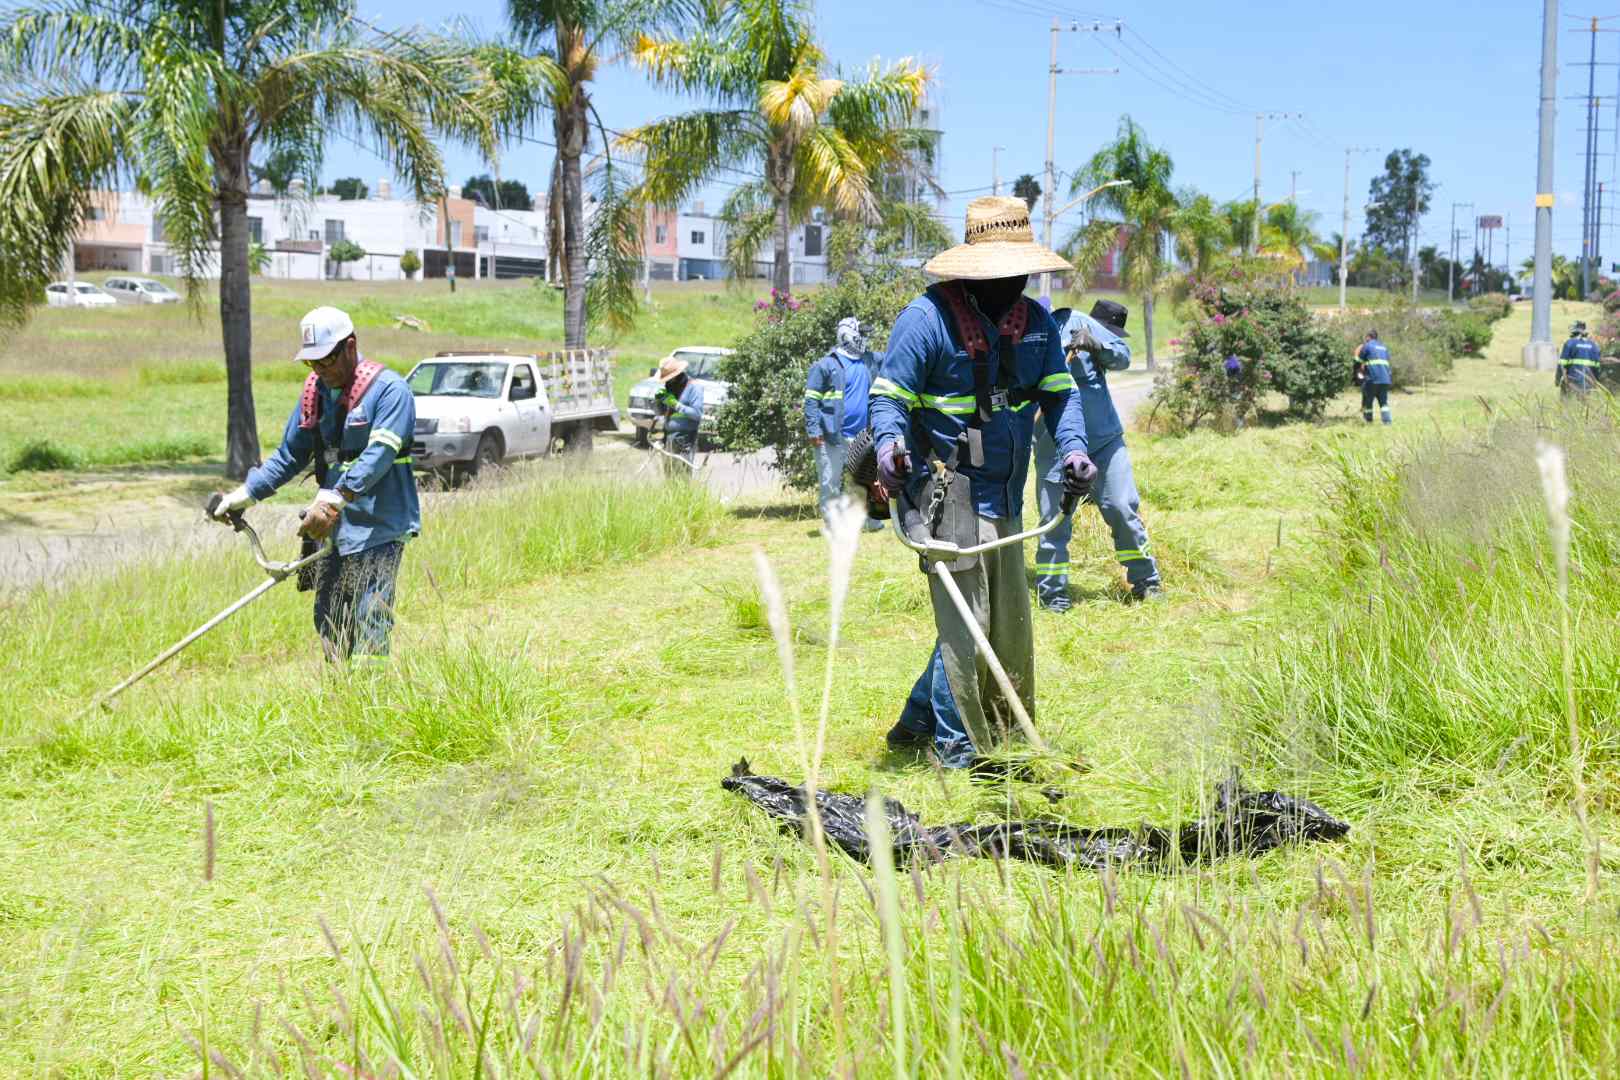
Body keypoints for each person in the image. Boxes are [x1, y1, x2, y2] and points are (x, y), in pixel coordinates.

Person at [870, 195, 1095, 768]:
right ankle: (957, 752)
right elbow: (888, 400)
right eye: (1000, 271)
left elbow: (1061, 396)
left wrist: (1074, 450)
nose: (1013, 282)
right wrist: (890, 448)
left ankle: (915, 724)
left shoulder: (1036, 325)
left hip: (1006, 492)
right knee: (967, 625)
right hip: (946, 493)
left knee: (992, 623)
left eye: (1020, 270)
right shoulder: (926, 320)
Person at [210, 306, 419, 663]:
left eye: (326, 360)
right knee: (329, 617)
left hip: (380, 527)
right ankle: (341, 691)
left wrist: (334, 500)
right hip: (334, 529)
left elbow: (379, 455)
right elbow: (290, 455)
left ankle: (373, 692)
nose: (320, 370)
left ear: (350, 346)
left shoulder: (390, 391)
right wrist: (243, 496)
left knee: (371, 616)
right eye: (312, 362)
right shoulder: (316, 393)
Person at [1032, 300, 1162, 610]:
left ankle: (1146, 581)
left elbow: (1123, 356)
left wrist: (1097, 345)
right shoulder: (1019, 338)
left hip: (1104, 442)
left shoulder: (1079, 323)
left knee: (1121, 508)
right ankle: (1053, 595)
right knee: (1054, 523)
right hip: (1055, 450)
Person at [654, 355, 704, 472]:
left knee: (682, 474)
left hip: (685, 439)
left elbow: (697, 414)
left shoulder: (694, 388)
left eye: (670, 378)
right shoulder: (672, 388)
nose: (668, 381)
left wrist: (676, 404)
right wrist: (659, 402)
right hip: (668, 437)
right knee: (669, 473)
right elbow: (662, 412)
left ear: (678, 375)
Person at [1354, 330, 1392, 424]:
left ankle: (1368, 421)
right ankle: (1387, 422)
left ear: (1368, 337)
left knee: (1368, 401)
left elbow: (1358, 361)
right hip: (1385, 379)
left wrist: (1356, 374)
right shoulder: (1383, 347)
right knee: (1383, 402)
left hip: (1372, 379)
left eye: (1366, 337)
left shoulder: (1367, 346)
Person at [1557, 320, 1602, 395]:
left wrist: (1558, 380)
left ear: (1573, 331)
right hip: (1588, 381)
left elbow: (1562, 364)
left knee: (1567, 400)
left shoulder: (1569, 343)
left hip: (1572, 381)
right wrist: (1596, 381)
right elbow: (1597, 366)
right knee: (1587, 401)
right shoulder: (1593, 345)